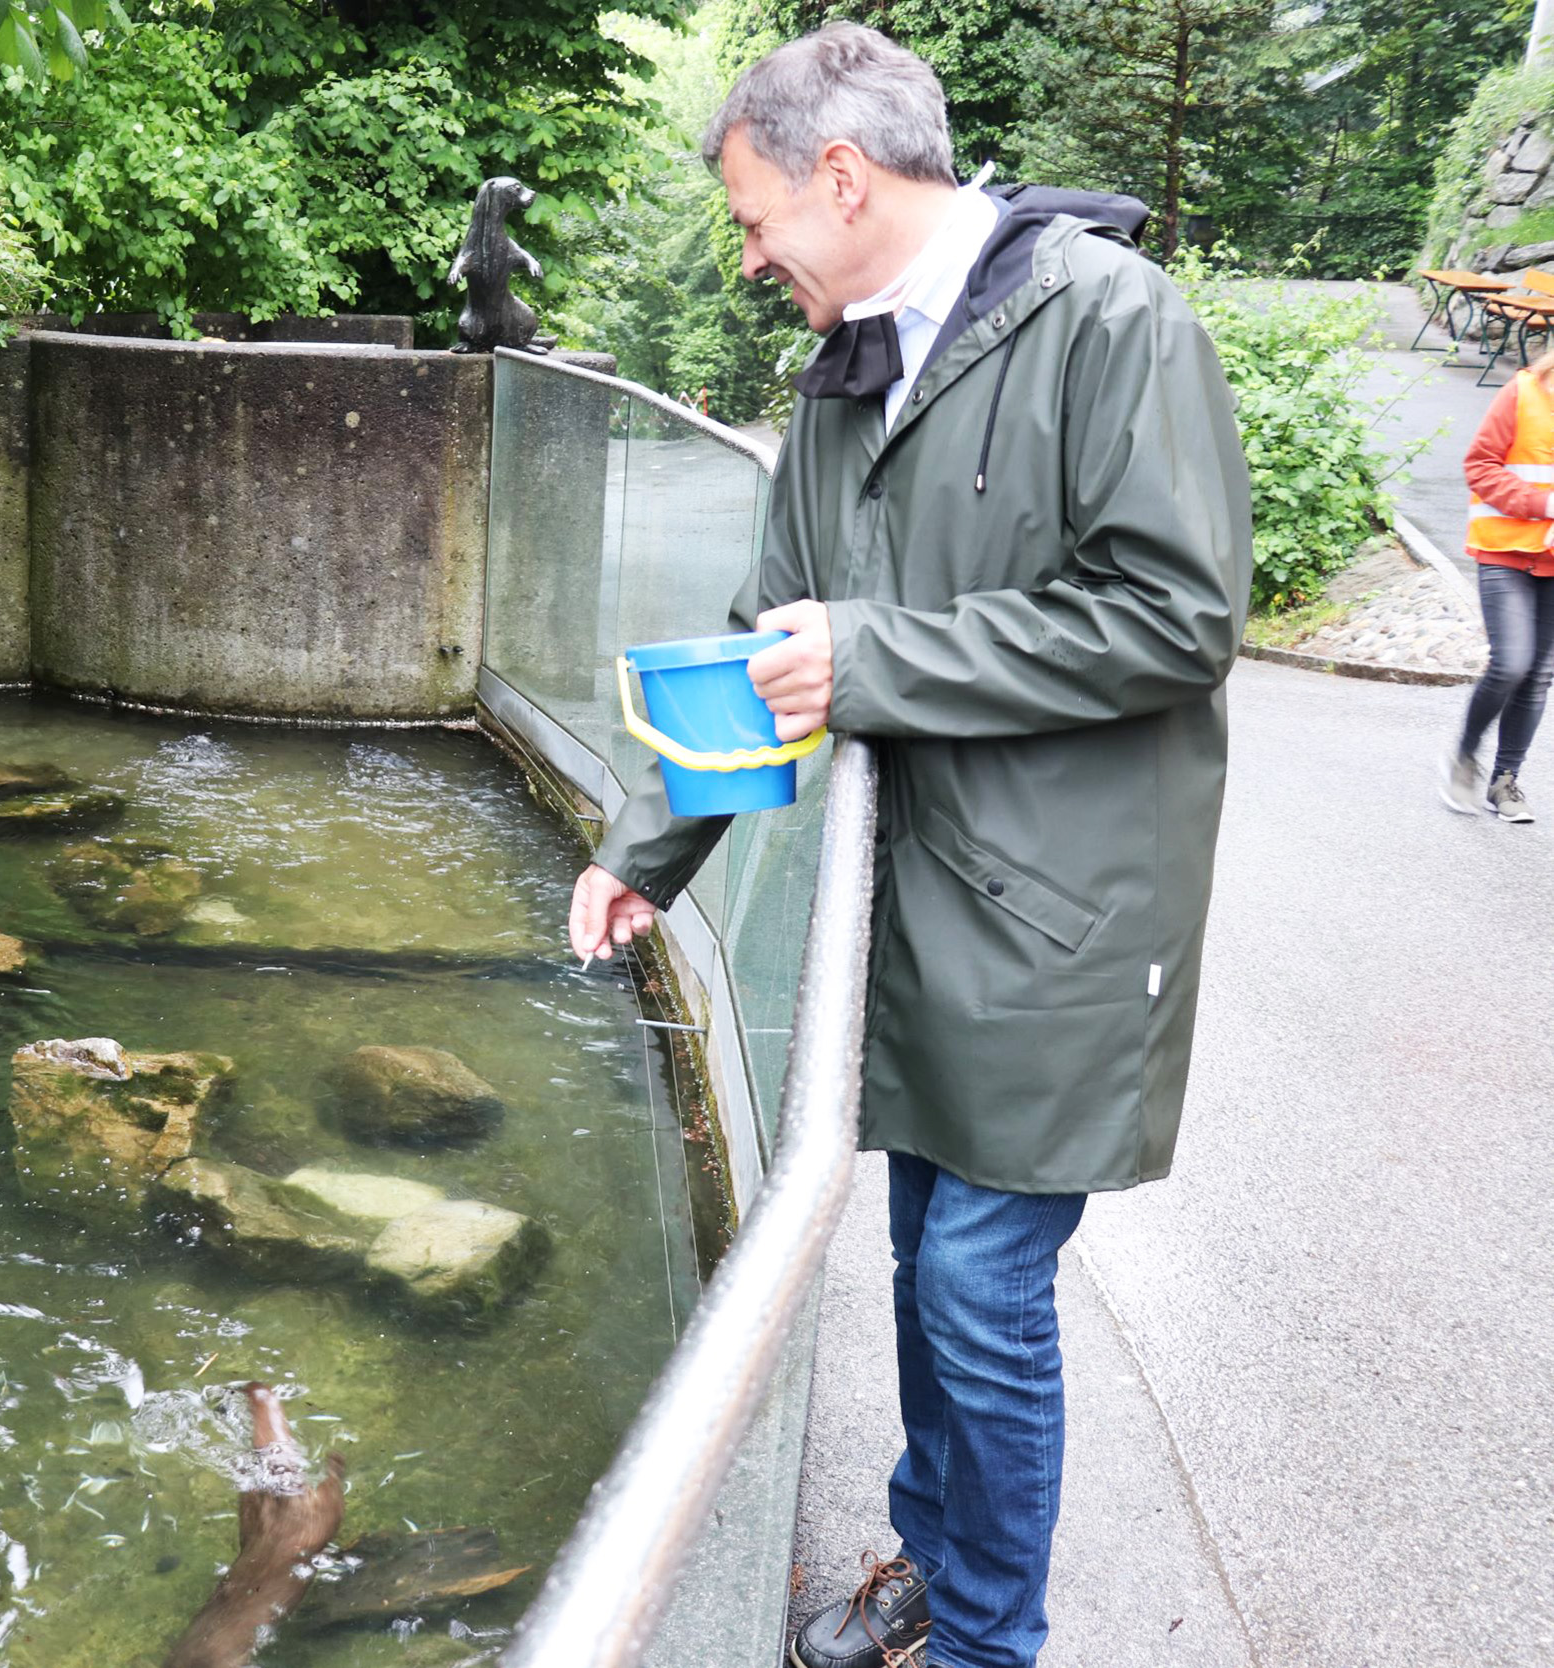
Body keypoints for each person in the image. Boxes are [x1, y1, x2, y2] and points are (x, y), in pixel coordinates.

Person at [564, 25, 1252, 1668]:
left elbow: (1176, 614)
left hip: (1069, 926)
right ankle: (932, 1566)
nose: (747, 258)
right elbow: (763, 648)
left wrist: (870, 662)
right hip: (913, 916)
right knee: (918, 1260)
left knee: (978, 1293)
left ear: (846, 178)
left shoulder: (1109, 320)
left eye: (753, 219)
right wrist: (640, 855)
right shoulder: (844, 370)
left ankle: (983, 1645)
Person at [1445, 357, 1554, 822]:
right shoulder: (1523, 392)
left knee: (1538, 674)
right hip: (1504, 552)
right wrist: (1544, 503)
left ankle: (1505, 781)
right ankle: (1464, 759)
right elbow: (1480, 466)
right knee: (1511, 663)